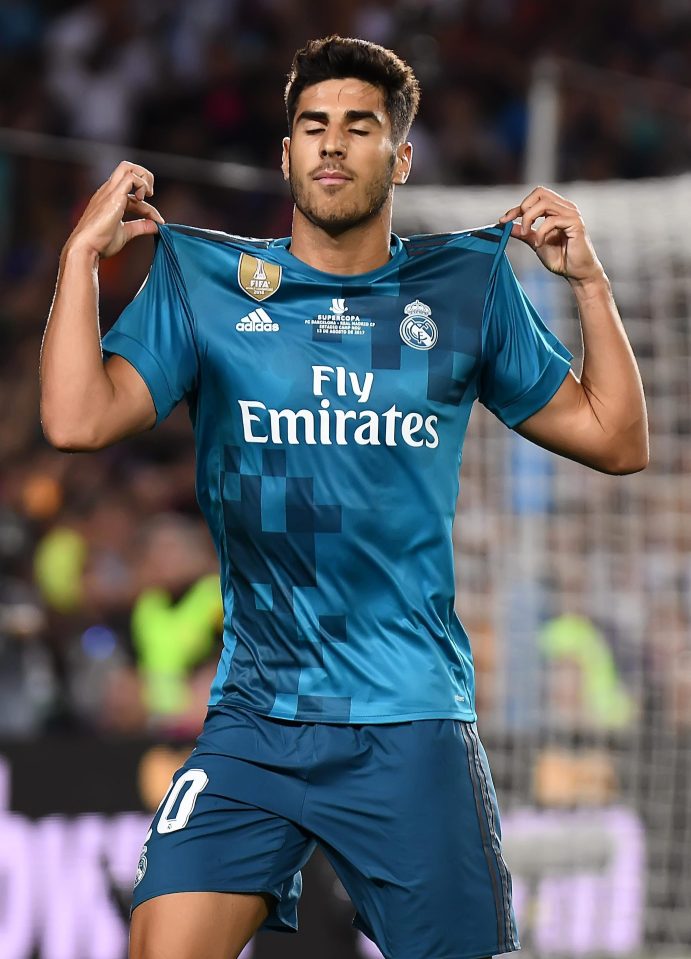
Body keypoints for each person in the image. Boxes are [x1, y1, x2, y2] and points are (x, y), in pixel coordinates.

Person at [40, 34, 648, 959]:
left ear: (398, 157)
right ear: (284, 153)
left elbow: (616, 438)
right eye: (312, 126)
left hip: (407, 722)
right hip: (254, 720)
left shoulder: (464, 285)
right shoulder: (205, 285)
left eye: (357, 128)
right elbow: (77, 419)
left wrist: (590, 287)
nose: (331, 144)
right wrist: (80, 261)